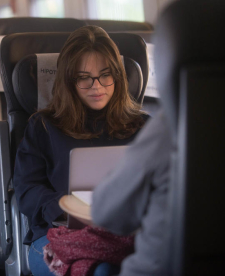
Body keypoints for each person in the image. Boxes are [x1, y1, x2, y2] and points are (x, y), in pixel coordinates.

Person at [13, 25, 149, 276]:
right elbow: (26, 190)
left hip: (128, 231)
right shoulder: (43, 126)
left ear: (118, 76)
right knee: (103, 270)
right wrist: (65, 208)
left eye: (106, 75)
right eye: (84, 77)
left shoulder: (143, 127)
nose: (97, 86)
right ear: (69, 81)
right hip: (59, 235)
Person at [91, 110, 171, 276]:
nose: (96, 86)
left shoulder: (163, 126)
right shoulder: (43, 126)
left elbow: (107, 213)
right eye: (83, 81)